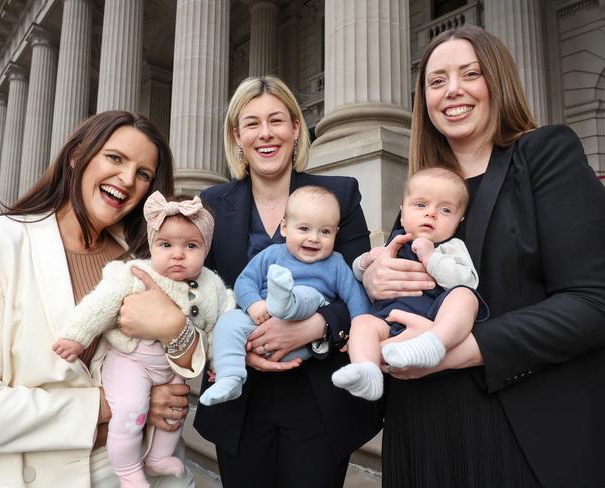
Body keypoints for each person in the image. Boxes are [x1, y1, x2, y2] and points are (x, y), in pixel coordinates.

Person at [359, 25, 605, 487]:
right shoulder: (424, 189)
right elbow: (403, 288)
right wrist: (375, 280)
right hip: (422, 429)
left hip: (520, 428)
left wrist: (451, 353)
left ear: (497, 80)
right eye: (436, 81)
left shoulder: (546, 153)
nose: (453, 90)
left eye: (469, 74)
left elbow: (593, 302)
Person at [0, 111, 203, 488]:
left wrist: (176, 329)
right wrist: (112, 405)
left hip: (142, 474)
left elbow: (186, 367)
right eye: (115, 158)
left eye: (143, 174)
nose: (126, 180)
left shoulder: (146, 262)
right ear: (77, 156)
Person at [192, 76, 383, 488]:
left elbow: (357, 288)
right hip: (241, 398)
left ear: (297, 128)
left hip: (319, 394)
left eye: (277, 120)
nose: (266, 133)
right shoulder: (211, 204)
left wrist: (314, 326)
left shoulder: (340, 195)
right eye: (252, 123)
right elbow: (201, 292)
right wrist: (232, 347)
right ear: (236, 135)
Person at [53, 192, 235, 487]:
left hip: (172, 367)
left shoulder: (212, 285)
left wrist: (220, 362)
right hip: (130, 361)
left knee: (174, 414)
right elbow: (100, 304)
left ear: (206, 248)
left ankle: (158, 457)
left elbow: (220, 325)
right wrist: (77, 336)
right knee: (131, 410)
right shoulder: (136, 272)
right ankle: (127, 470)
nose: (178, 254)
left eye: (191, 245)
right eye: (166, 245)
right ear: (152, 246)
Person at [199, 185, 370, 406]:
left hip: (304, 329)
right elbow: (245, 281)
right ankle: (230, 378)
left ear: (336, 233)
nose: (314, 238)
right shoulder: (272, 254)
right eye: (304, 228)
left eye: (325, 231)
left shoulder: (335, 264)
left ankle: (285, 301)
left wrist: (359, 332)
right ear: (285, 228)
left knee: (306, 294)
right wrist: (253, 304)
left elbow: (356, 298)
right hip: (261, 321)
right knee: (229, 322)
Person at [332, 167, 488, 401]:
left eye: (445, 209)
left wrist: (431, 258)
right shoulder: (395, 242)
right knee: (363, 322)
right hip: (389, 318)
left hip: (433, 320)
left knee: (465, 297)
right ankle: (368, 372)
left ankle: (434, 345)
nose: (431, 214)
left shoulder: (450, 248)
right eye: (421, 205)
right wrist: (367, 262)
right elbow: (357, 271)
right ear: (403, 214)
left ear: (459, 221)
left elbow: (467, 281)